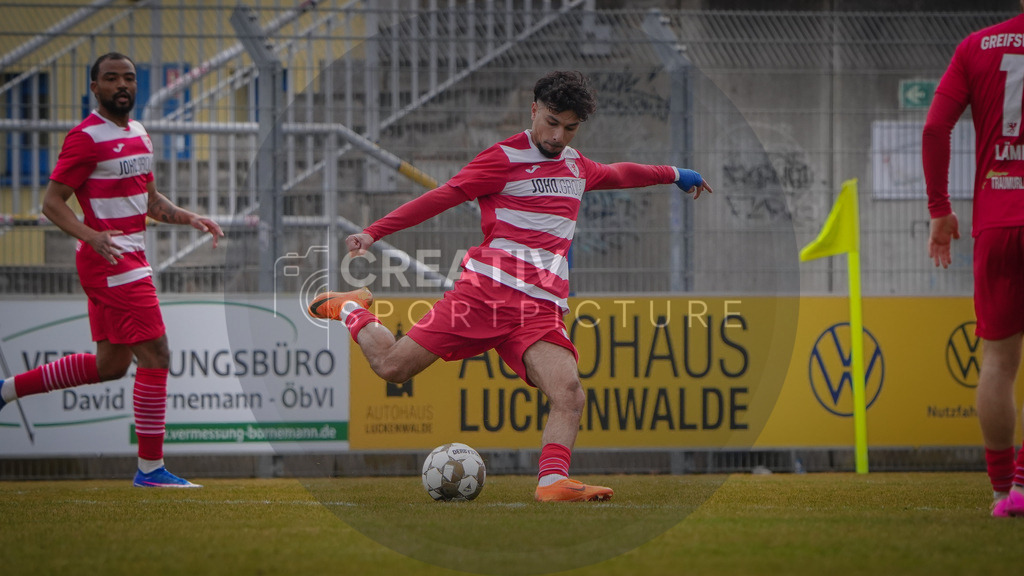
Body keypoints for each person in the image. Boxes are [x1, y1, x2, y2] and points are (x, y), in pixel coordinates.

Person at [309, 70, 712, 502]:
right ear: (534, 109)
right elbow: (441, 197)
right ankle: (351, 308)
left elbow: (620, 173)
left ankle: (552, 482)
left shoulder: (577, 166)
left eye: (570, 127)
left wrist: (675, 173)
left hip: (538, 310)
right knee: (391, 367)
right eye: (553, 122)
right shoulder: (502, 158)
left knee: (570, 394)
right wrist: (373, 232)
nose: (559, 136)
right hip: (484, 297)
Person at [0, 52, 223, 488]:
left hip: (127, 257)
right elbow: (51, 203)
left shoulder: (139, 133)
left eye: (129, 78)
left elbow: (151, 202)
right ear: (94, 87)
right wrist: (90, 235)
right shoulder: (85, 138)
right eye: (111, 78)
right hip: (111, 261)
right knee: (157, 355)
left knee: (111, 365)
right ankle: (150, 470)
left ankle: (6, 390)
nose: (122, 85)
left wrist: (190, 217)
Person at [924, 3, 1024, 517]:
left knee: (999, 363)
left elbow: (934, 129)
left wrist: (940, 211)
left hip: (997, 220)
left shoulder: (976, 46)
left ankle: (1003, 492)